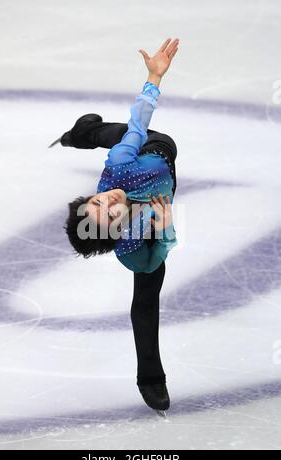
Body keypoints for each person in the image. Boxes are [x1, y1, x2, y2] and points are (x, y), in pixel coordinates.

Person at [50, 38, 179, 413]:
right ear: (118, 227)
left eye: (95, 200)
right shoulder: (134, 242)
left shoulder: (118, 169)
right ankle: (151, 379)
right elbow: (154, 259)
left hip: (150, 147)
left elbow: (140, 120)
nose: (106, 200)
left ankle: (79, 134)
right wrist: (165, 229)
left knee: (118, 136)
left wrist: (154, 76)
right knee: (145, 301)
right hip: (162, 184)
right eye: (106, 212)